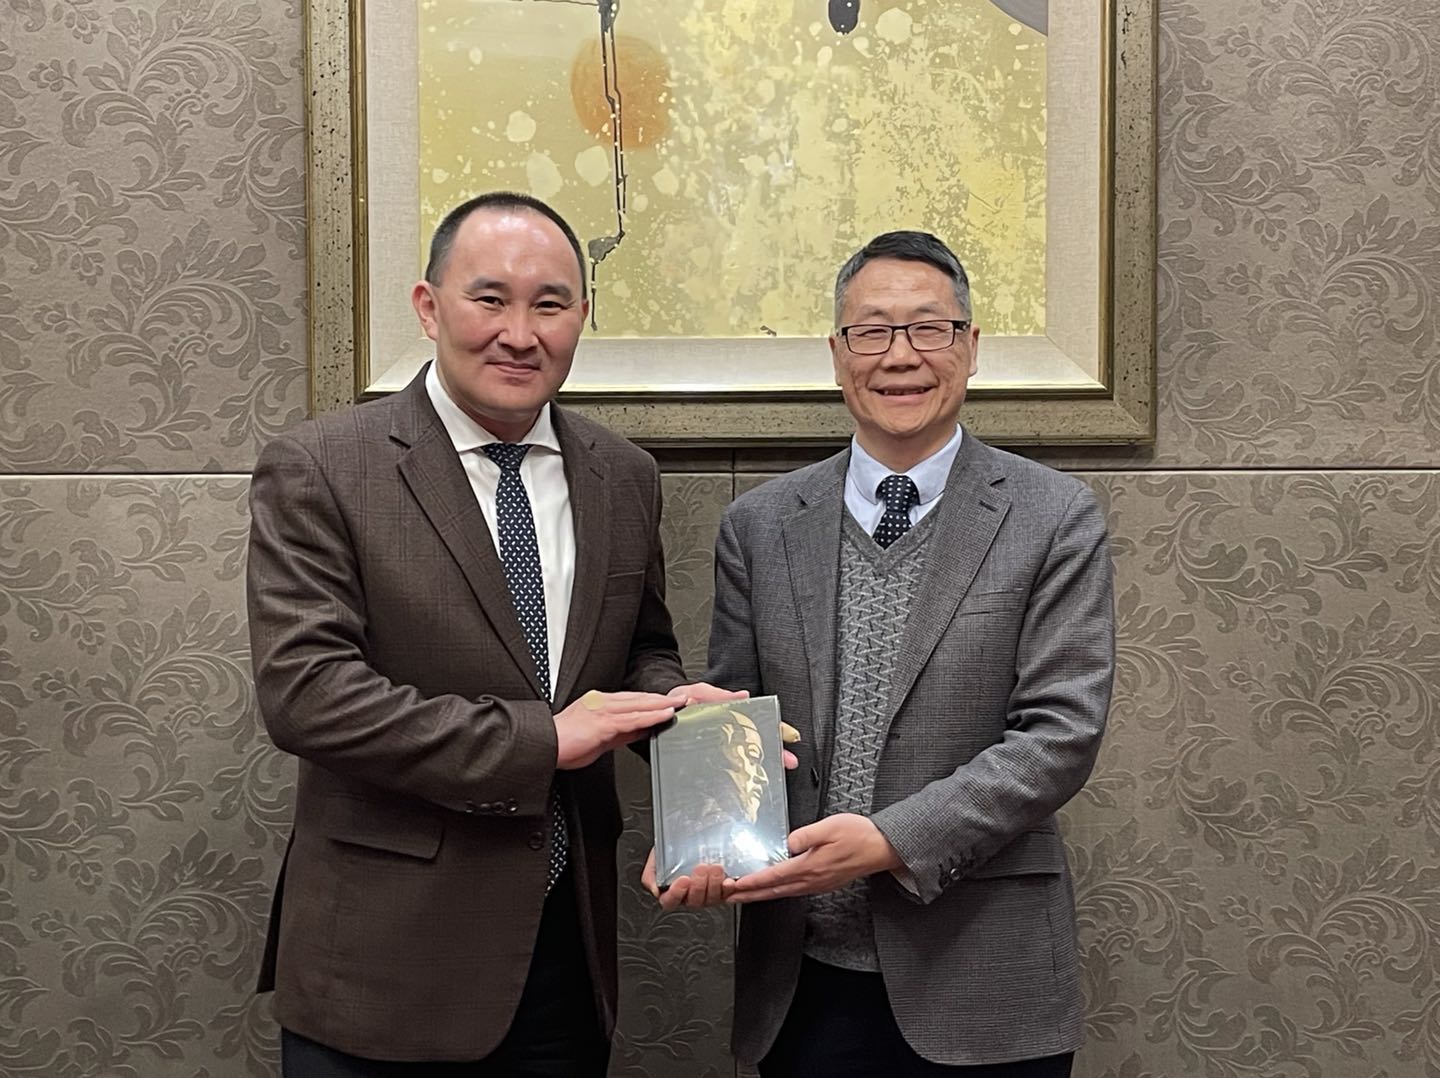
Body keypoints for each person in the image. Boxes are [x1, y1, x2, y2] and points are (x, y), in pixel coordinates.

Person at [247, 190, 735, 1075]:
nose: (520, 333)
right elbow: (308, 696)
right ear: (429, 306)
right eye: (489, 299)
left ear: (581, 315)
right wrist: (542, 740)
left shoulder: (623, 474)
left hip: (566, 950)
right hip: (384, 962)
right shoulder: (323, 466)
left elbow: (639, 648)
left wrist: (675, 711)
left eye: (549, 304)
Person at [648, 230, 1114, 1076]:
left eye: (930, 328)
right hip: (803, 981)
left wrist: (891, 839)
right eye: (872, 331)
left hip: (982, 976)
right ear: (838, 354)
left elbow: (1060, 737)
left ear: (971, 347)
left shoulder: (1053, 517)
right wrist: (700, 831)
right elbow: (737, 717)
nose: (901, 355)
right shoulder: (759, 526)